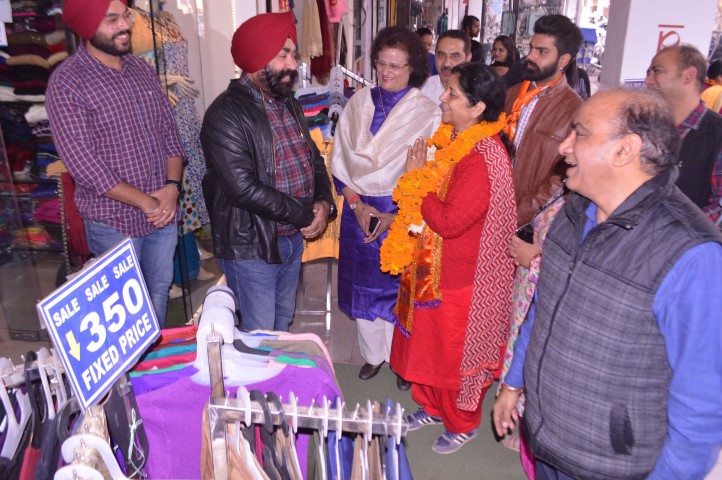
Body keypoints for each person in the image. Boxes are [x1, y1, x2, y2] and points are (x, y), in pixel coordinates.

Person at [493, 87, 722, 479]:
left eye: (580, 133)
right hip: (548, 440)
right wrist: (513, 385)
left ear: (624, 150)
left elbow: (701, 402)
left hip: (612, 464)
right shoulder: (572, 214)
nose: (564, 146)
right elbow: (541, 312)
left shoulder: (691, 254)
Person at [389, 62, 516, 454]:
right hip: (433, 269)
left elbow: (449, 221)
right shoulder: (453, 141)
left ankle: (462, 424)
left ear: (477, 109)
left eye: (453, 94)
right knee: (430, 348)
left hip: (463, 281)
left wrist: (416, 180)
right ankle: (432, 407)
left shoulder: (482, 156)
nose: (442, 97)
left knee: (453, 357)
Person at [46, 0, 184, 327]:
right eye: (112, 20)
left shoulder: (141, 69)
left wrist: (172, 188)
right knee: (125, 315)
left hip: (162, 211)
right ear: (86, 28)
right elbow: (84, 164)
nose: (125, 25)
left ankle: (154, 359)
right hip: (114, 222)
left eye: (125, 16)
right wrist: (148, 202)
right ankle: (137, 363)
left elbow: (170, 134)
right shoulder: (68, 83)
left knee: (158, 293)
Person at [200, 12, 336, 332]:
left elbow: (314, 160)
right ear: (255, 59)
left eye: (293, 55)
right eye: (282, 56)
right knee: (259, 334)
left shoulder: (288, 103)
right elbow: (243, 189)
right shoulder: (225, 114)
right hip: (252, 247)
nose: (292, 65)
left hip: (290, 239)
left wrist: (324, 203)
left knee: (281, 324)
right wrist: (305, 214)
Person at [329, 26, 440, 382]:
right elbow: (339, 163)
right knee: (362, 288)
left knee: (400, 291)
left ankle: (401, 360)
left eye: (396, 65)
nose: (386, 72)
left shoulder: (427, 113)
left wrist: (396, 215)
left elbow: (432, 177)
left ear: (413, 68)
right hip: (358, 210)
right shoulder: (357, 103)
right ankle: (373, 356)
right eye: (381, 63)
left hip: (403, 213)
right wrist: (357, 205)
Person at [503, 14, 582, 226]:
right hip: (488, 206)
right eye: (531, 48)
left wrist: (515, 216)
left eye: (541, 51)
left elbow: (560, 181)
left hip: (527, 225)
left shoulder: (575, 111)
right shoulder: (510, 94)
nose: (530, 56)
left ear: (563, 60)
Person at [645, 44, 722, 219]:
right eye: (648, 73)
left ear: (688, 76)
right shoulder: (645, 126)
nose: (648, 81)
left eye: (657, 71)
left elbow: (718, 208)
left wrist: (672, 231)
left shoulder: (717, 135)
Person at [419, 30, 471, 104]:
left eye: (455, 56)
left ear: (468, 58)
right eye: (441, 55)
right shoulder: (422, 91)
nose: (446, 64)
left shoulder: (477, 94)